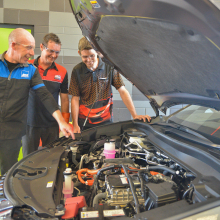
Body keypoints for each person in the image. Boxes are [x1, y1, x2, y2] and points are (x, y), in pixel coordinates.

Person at [0, 28, 74, 175]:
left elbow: (45, 95)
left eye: (32, 48)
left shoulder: (31, 70)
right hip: (26, 125)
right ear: (13, 45)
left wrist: (62, 121)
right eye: (28, 48)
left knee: (8, 174)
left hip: (13, 133)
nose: (32, 53)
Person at [69, 37, 151, 133]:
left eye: (92, 55)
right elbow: (75, 98)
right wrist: (75, 124)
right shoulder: (77, 70)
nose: (89, 60)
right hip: (84, 123)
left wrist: (135, 115)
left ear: (97, 52)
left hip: (106, 122)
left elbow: (123, 91)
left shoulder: (109, 66)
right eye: (85, 57)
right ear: (79, 53)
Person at [22, 33, 70, 157]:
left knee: (51, 160)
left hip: (51, 124)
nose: (54, 55)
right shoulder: (27, 66)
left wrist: (64, 122)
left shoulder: (63, 71)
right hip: (29, 123)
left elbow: (64, 100)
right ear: (42, 47)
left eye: (57, 52)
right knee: (28, 160)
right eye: (51, 51)